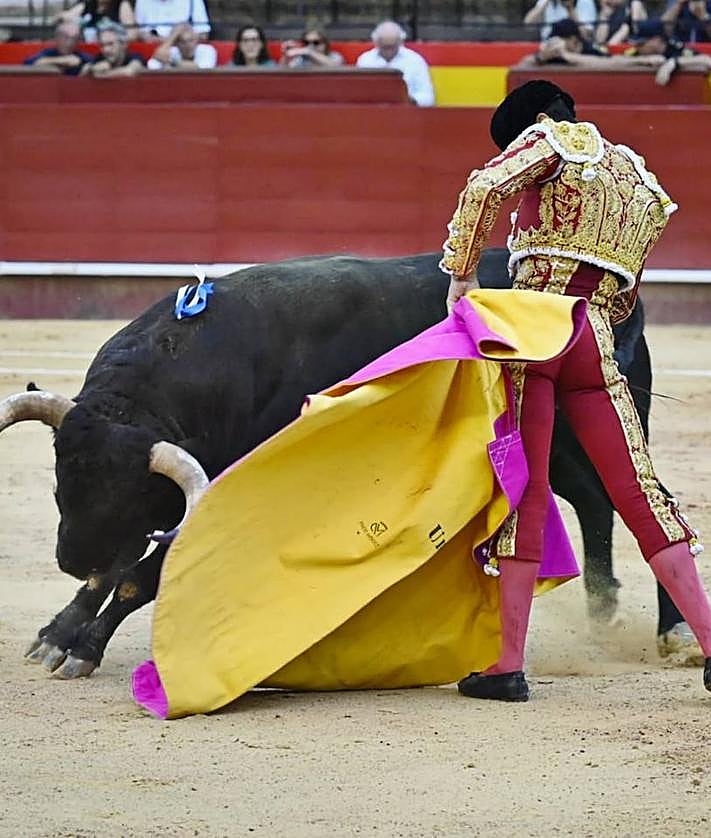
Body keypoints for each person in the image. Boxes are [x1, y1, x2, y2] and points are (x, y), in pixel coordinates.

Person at [441, 80, 711, 702]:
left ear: (537, 120)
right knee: (637, 489)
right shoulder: (639, 180)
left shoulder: (552, 140)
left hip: (532, 331)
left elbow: (484, 188)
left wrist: (459, 280)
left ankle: (506, 665)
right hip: (595, 336)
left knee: (527, 489)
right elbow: (626, 289)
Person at [355, 20, 435, 107]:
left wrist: (410, 100)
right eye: (385, 47)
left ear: (400, 42)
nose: (388, 51)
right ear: (376, 43)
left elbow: (428, 97)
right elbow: (358, 94)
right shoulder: (365, 60)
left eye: (392, 47)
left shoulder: (415, 60)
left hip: (407, 113)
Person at [625, 18, 711, 84]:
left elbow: (706, 60)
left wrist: (674, 62)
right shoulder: (635, 51)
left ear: (657, 40)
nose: (637, 47)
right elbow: (614, 61)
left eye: (641, 43)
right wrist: (642, 60)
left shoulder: (676, 48)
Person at [23, 20, 90, 75]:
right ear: (57, 38)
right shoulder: (48, 53)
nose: (70, 42)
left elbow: (94, 65)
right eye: (65, 37)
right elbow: (28, 64)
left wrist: (88, 68)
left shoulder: (83, 58)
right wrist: (62, 60)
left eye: (75, 38)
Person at [80, 21, 145, 77]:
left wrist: (102, 74)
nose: (106, 50)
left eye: (110, 44)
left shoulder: (134, 57)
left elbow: (130, 71)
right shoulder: (99, 58)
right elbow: (84, 71)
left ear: (123, 44)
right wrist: (92, 69)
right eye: (102, 45)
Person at [57, 0, 138, 42]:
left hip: (112, 52)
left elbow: (133, 34)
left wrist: (111, 39)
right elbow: (64, 17)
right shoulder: (88, 4)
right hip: (88, 50)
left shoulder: (121, 5)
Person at [147, 22, 217, 69]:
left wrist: (171, 62)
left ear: (196, 40)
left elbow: (202, 69)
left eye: (191, 40)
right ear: (176, 44)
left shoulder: (208, 50)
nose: (188, 45)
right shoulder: (172, 51)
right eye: (183, 42)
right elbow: (152, 65)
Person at [134, 0, 210, 40]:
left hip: (184, 53)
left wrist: (172, 40)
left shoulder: (193, 1)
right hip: (152, 52)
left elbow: (203, 34)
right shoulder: (142, 1)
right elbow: (139, 33)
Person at [523, 0, 597, 40]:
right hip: (547, 48)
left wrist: (570, 9)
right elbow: (528, 26)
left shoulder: (585, 1)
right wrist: (544, 3)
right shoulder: (545, 1)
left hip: (573, 50)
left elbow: (587, 37)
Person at [279, 27, 344, 68]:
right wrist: (286, 56)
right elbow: (283, 70)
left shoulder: (334, 56)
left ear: (325, 44)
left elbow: (335, 66)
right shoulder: (301, 59)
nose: (311, 46)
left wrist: (310, 52)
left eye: (316, 42)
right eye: (307, 42)